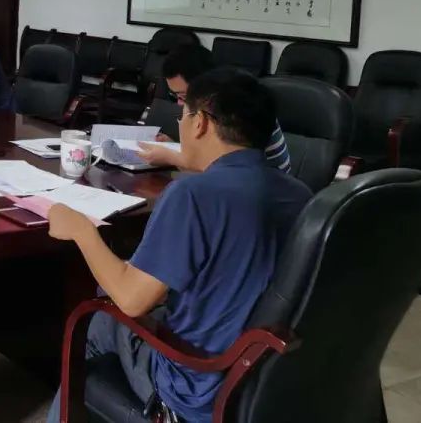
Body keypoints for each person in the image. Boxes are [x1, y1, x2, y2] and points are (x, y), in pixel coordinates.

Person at [45, 69, 312, 423]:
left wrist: (82, 230)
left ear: (200, 123)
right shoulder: (299, 193)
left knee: (99, 319)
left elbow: (132, 300)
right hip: (261, 379)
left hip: (195, 386)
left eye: (182, 115)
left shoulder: (192, 194)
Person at [138, 45, 291, 171]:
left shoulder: (237, 105)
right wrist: (174, 146)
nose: (179, 103)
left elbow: (226, 171)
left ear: (202, 84)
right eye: (175, 95)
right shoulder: (218, 97)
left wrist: (170, 157)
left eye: (183, 96)